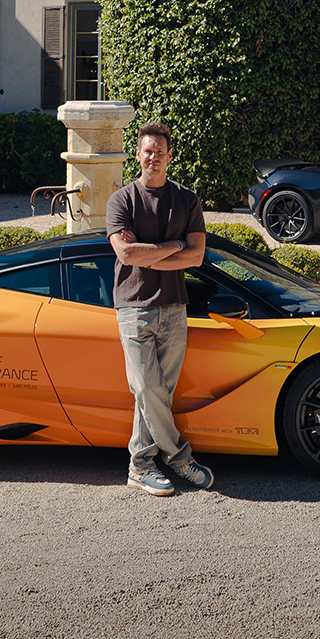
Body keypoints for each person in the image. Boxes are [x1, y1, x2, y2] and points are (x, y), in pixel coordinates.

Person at [106, 121, 212, 495]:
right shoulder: (121, 200)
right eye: (148, 151)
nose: (154, 157)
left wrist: (150, 255)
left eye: (160, 152)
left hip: (174, 306)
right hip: (133, 307)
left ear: (169, 156)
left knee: (156, 394)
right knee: (148, 387)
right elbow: (126, 254)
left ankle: (140, 465)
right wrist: (174, 246)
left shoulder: (187, 200)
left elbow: (196, 257)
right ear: (138, 154)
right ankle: (179, 457)